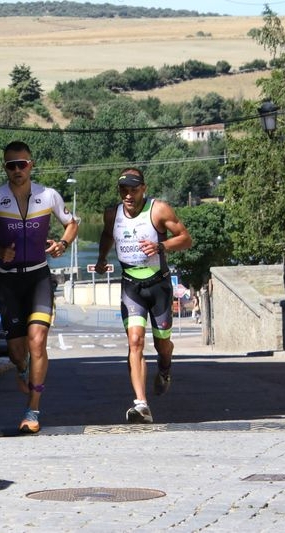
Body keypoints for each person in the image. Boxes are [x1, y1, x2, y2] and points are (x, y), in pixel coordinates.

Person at [0, 141, 78, 434]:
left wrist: (63, 243)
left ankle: (33, 409)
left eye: (22, 164)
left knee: (37, 340)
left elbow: (71, 224)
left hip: (39, 277)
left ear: (31, 165)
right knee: (18, 352)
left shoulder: (49, 196)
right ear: (4, 168)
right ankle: (21, 368)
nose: (17, 170)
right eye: (11, 165)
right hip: (8, 280)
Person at [94, 168, 192, 424]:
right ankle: (141, 404)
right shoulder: (112, 214)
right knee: (135, 342)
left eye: (133, 190)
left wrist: (161, 246)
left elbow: (185, 238)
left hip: (158, 286)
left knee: (162, 345)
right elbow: (107, 234)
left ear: (143, 189)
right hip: (131, 286)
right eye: (124, 190)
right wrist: (102, 258)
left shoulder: (159, 210)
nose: (128, 195)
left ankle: (165, 368)